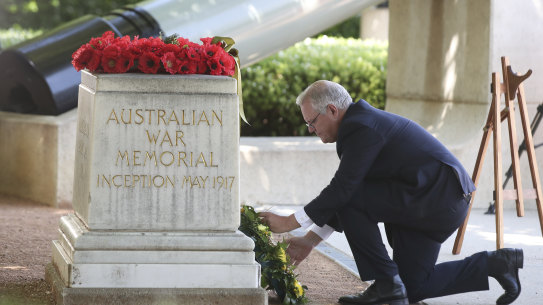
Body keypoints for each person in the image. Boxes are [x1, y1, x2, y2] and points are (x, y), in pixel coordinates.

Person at [260, 80, 523, 305]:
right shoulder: (358, 126)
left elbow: (344, 191)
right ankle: (498, 263)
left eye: (312, 122)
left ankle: (386, 282)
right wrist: (309, 240)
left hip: (438, 199)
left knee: (353, 204)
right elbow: (350, 191)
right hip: (431, 200)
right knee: (412, 287)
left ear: (332, 110)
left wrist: (290, 221)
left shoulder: (360, 126)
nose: (310, 129)